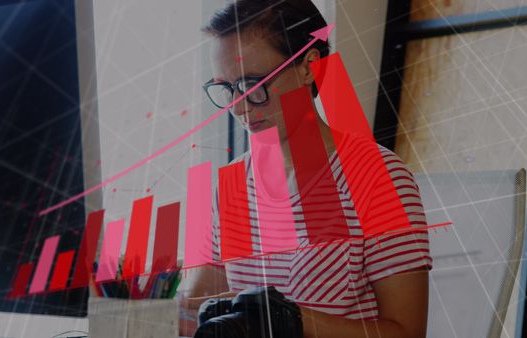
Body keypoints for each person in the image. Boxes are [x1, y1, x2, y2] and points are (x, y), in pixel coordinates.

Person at [179, 1, 431, 337]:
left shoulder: (376, 179)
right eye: (227, 88)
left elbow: (407, 333)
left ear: (309, 66)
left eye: (254, 84)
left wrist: (296, 322)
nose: (239, 106)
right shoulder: (235, 182)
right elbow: (195, 308)